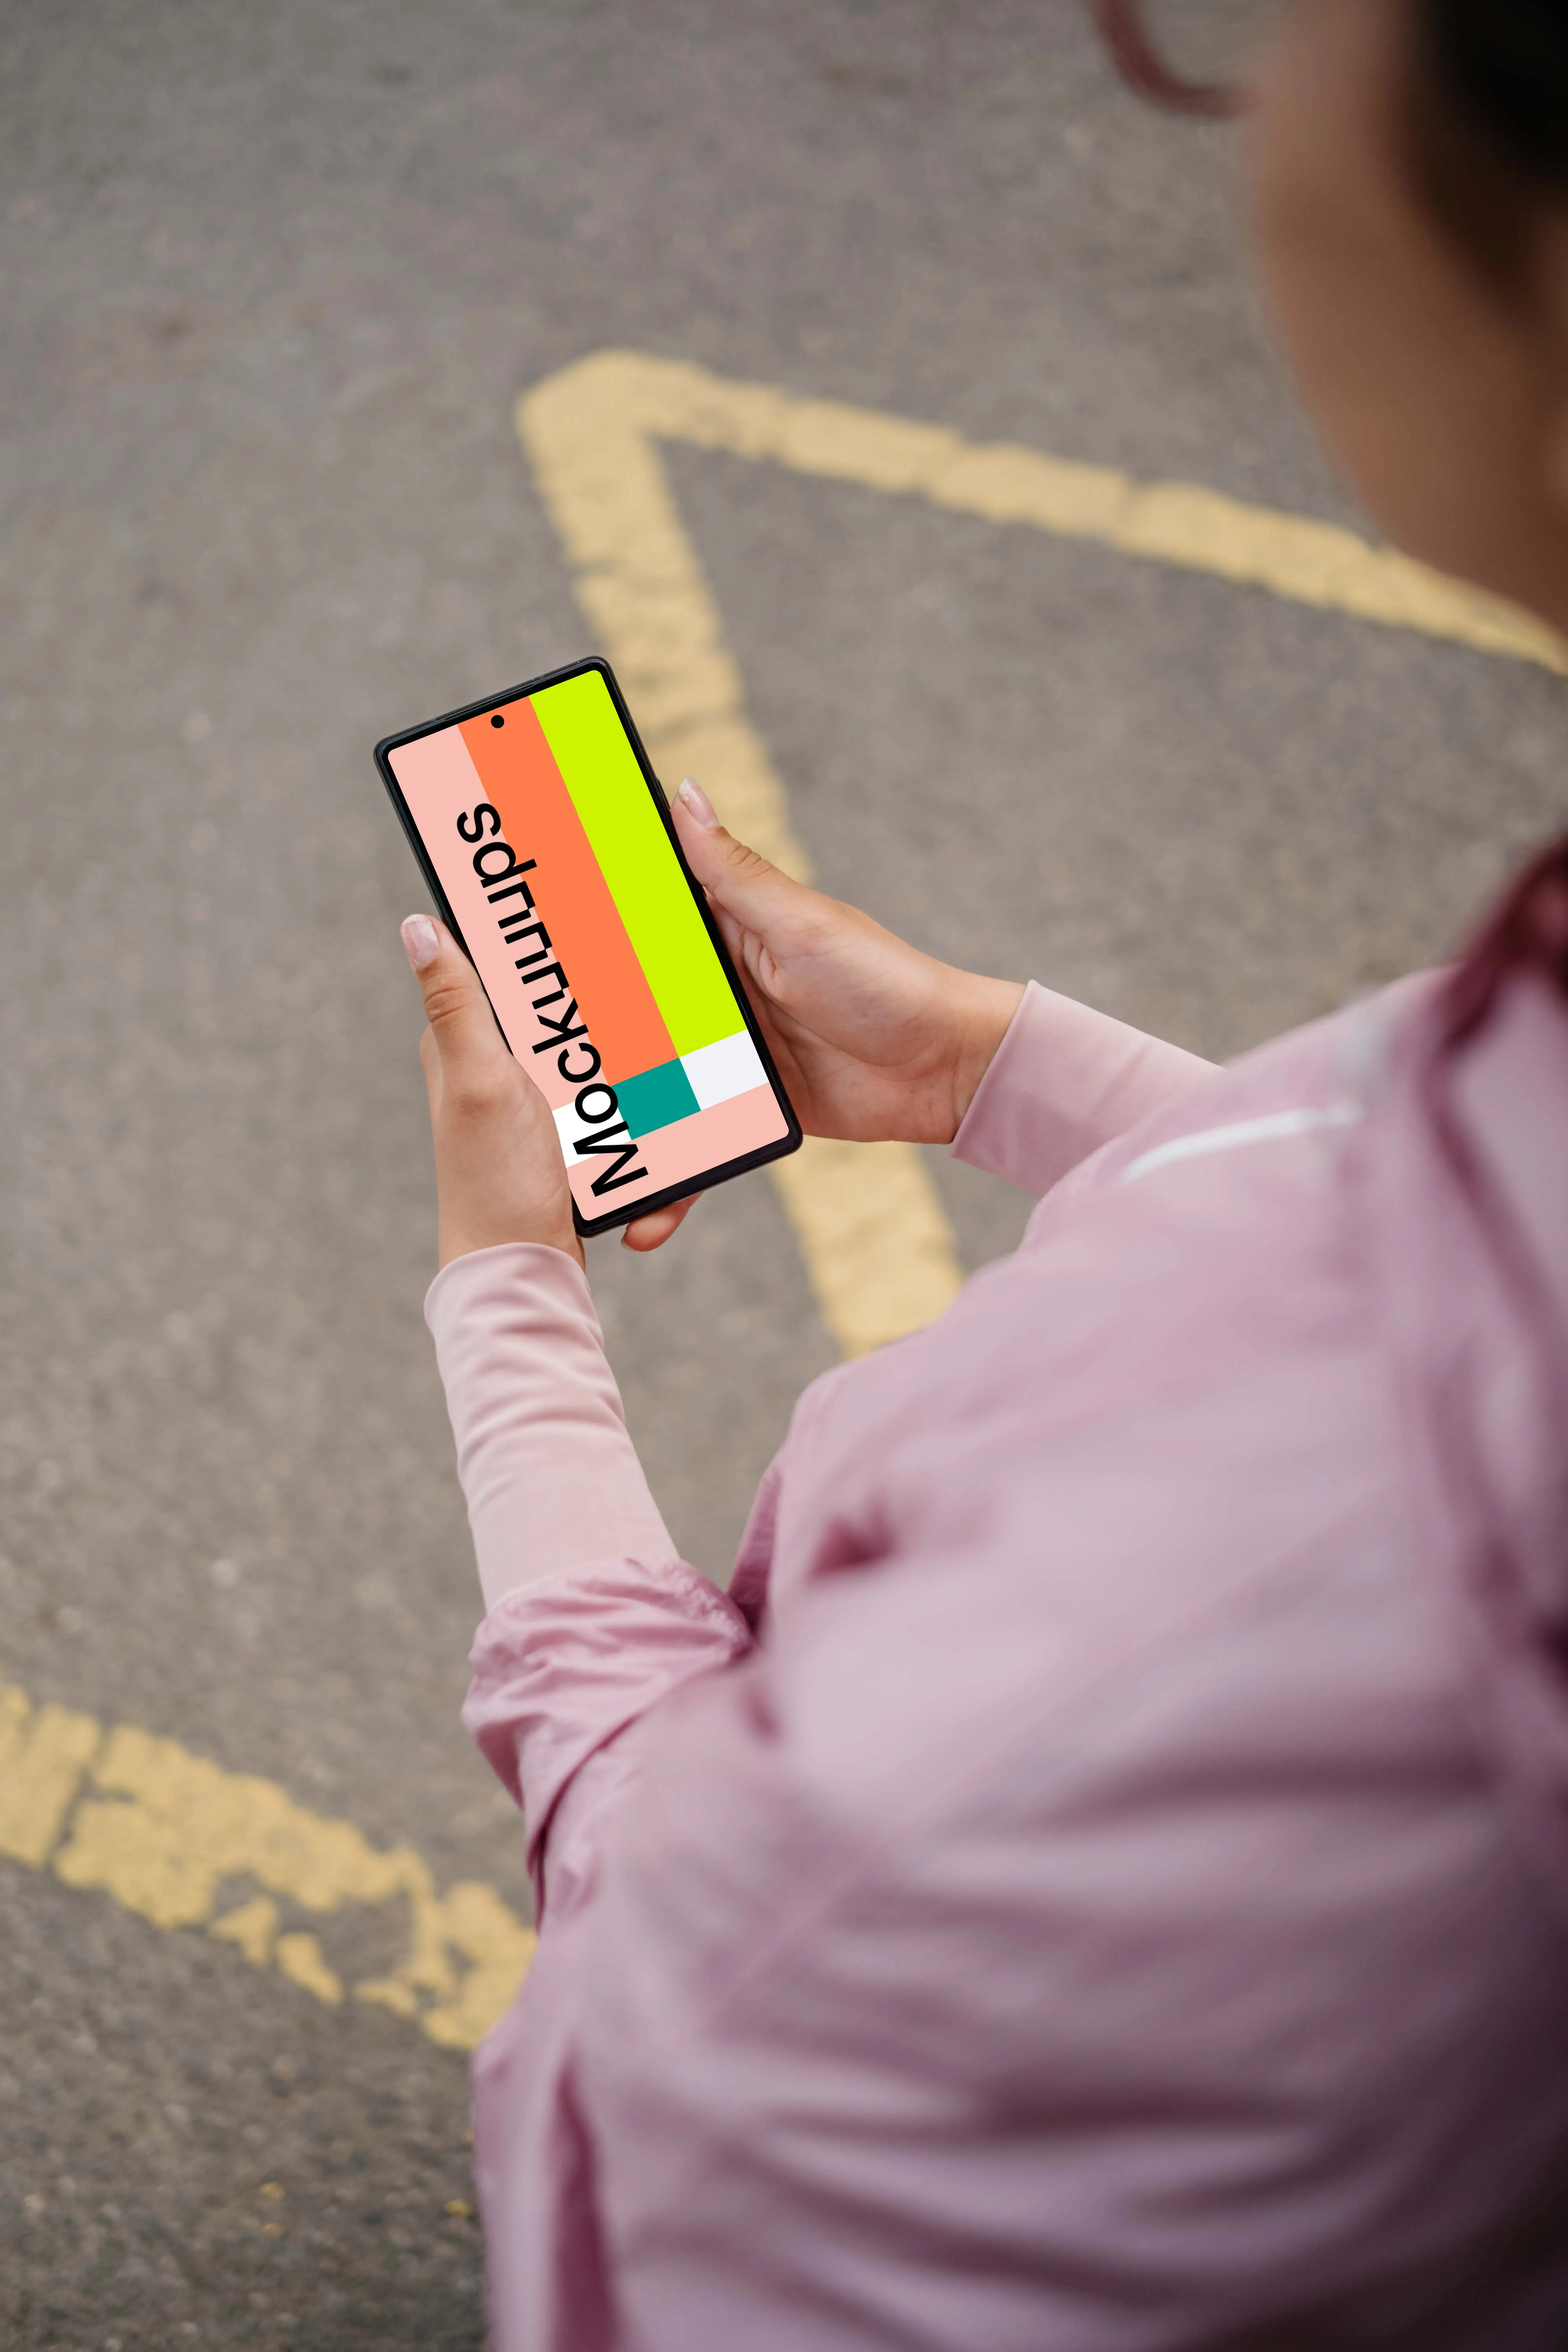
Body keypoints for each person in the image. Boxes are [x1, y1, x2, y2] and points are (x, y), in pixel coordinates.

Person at [398, 3, 1568, 2344]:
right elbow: (1422, 1227)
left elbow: (664, 2082)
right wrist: (995, 1068)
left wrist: (512, 1298)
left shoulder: (1227, 1644)